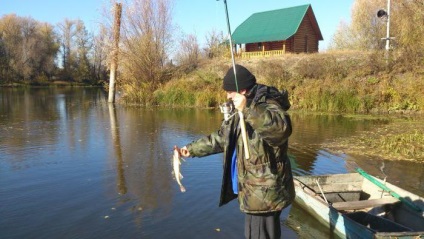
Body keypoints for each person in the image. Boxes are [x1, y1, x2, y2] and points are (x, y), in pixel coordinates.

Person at [176, 64, 295, 239]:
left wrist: (247, 109)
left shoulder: (266, 103)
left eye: (230, 91)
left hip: (264, 193)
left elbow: (281, 130)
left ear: (243, 90)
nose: (227, 95)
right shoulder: (241, 108)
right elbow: (222, 137)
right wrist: (191, 149)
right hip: (255, 192)